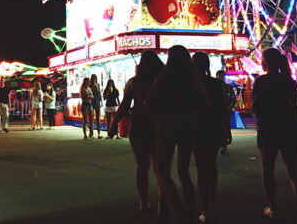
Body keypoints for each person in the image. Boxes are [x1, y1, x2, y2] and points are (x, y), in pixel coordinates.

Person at [146, 45, 210, 223]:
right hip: (188, 126)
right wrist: (190, 113)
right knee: (184, 171)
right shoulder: (192, 78)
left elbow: (148, 103)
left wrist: (159, 117)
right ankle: (190, 208)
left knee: (162, 170)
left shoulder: (163, 78)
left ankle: (178, 207)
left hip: (167, 125)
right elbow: (205, 104)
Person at [252, 48, 297, 224]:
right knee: (295, 174)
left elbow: (256, 108)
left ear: (264, 62)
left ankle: (273, 208)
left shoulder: (260, 82)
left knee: (268, 170)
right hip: (289, 128)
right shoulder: (289, 81)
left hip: (268, 128)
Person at [107, 50, 166, 219]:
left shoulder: (134, 83)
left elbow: (125, 106)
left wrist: (113, 125)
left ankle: (144, 202)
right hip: (159, 127)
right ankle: (163, 200)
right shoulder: (162, 81)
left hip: (139, 126)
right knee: (160, 167)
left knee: (142, 166)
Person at [193, 53, 231, 224]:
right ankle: (212, 202)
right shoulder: (216, 84)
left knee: (201, 168)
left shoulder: (190, 84)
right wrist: (227, 130)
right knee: (211, 165)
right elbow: (223, 108)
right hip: (214, 127)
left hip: (197, 128)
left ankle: (206, 207)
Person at [216, 70, 235, 154]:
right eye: (219, 76)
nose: (221, 77)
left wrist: (230, 107)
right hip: (217, 111)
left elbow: (233, 99)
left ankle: (224, 144)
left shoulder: (228, 87)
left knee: (225, 127)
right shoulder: (214, 86)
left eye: (222, 76)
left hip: (226, 110)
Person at [90, 74, 103, 138]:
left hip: (97, 102)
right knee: (91, 118)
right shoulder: (90, 86)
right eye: (93, 78)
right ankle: (91, 133)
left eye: (95, 78)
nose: (94, 79)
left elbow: (99, 94)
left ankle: (99, 133)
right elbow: (90, 92)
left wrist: (101, 101)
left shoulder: (98, 85)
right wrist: (93, 87)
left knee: (98, 118)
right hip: (91, 103)